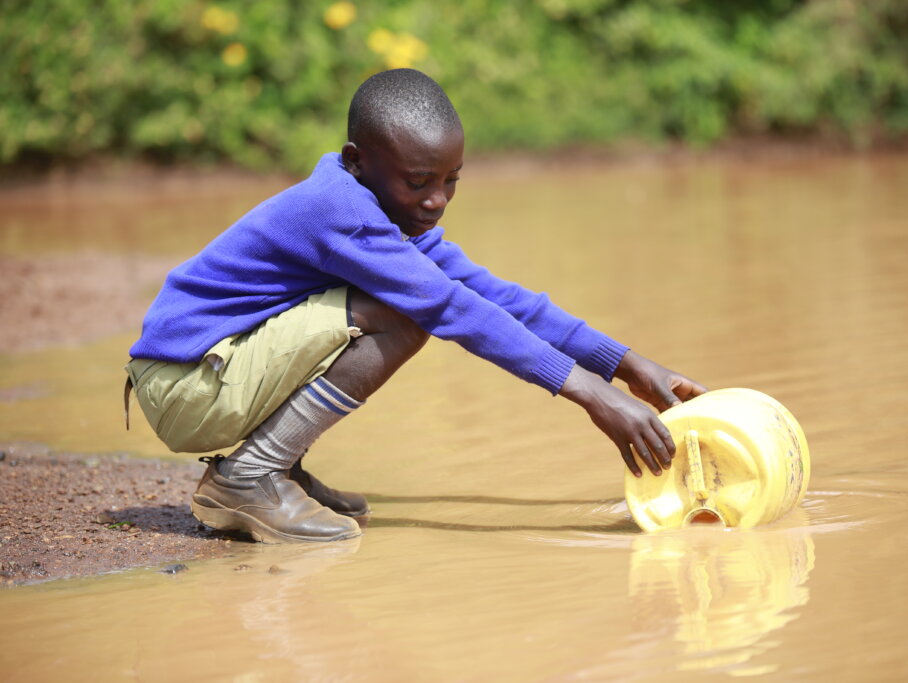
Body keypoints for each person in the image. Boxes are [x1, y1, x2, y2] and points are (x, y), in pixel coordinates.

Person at [124, 68, 707, 544]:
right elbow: (451, 309)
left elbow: (497, 298)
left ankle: (279, 468)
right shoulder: (342, 212)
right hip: (186, 385)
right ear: (358, 161)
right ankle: (250, 476)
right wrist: (591, 394)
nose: (437, 200)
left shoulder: (386, 212)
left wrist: (627, 365)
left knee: (404, 304)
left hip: (216, 368)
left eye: (451, 180)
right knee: (404, 313)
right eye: (419, 181)